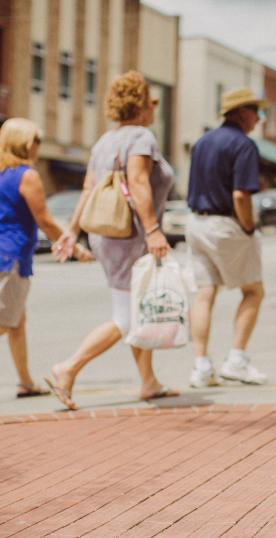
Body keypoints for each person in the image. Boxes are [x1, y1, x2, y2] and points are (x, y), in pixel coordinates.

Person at [47, 71, 179, 410]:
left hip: (105, 235)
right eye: (151, 101)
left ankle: (148, 382)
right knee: (126, 317)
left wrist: (72, 232)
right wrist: (152, 230)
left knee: (136, 308)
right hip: (130, 235)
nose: (154, 109)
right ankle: (67, 368)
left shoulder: (104, 141)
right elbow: (138, 182)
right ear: (140, 104)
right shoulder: (141, 137)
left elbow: (89, 189)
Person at [0, 118, 91, 398]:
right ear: (26, 143)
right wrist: (74, 248)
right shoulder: (26, 175)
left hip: (4, 253)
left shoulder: (3, 173)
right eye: (36, 140)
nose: (38, 146)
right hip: (11, 256)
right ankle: (26, 382)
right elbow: (46, 221)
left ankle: (25, 382)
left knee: (17, 321)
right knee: (5, 321)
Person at [186, 87, 268, 388]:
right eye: (256, 112)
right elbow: (240, 194)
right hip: (226, 225)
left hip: (196, 223)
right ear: (242, 112)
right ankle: (236, 360)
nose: (259, 118)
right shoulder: (243, 145)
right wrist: (248, 227)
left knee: (205, 293)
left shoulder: (201, 143)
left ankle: (201, 366)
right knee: (253, 291)